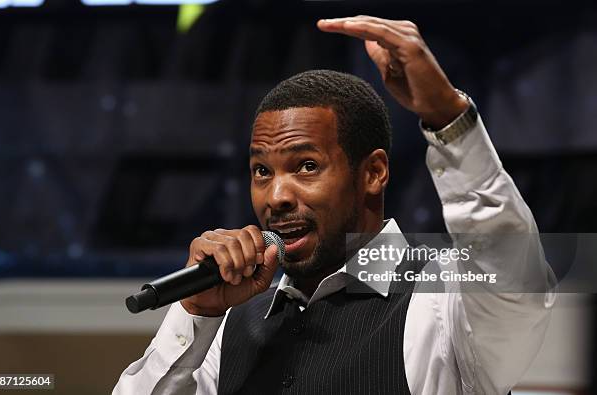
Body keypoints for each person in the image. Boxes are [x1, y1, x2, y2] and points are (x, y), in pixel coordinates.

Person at [114, 16, 555, 395]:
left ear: (373, 173)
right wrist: (197, 314)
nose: (277, 196)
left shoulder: (444, 301)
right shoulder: (229, 325)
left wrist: (448, 119)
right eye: (261, 171)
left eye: (306, 166)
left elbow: (513, 269)